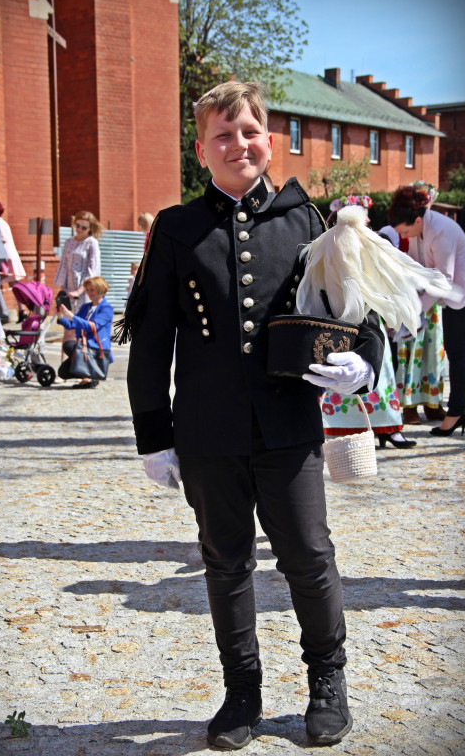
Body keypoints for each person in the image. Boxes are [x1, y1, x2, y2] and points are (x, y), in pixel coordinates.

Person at [122, 81, 385, 749]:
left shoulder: (309, 221)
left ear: (267, 138)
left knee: (308, 555)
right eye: (222, 134)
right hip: (207, 431)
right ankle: (242, 692)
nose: (237, 144)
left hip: (289, 426)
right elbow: (151, 340)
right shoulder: (177, 229)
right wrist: (154, 436)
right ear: (201, 149)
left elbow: (362, 311)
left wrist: (364, 365)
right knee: (225, 561)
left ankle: (329, 680)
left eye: (248, 131)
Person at [321, 196, 416, 449]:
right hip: (338, 320)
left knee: (378, 371)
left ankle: (388, 428)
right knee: (340, 373)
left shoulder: (373, 243)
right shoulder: (329, 244)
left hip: (369, 318)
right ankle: (343, 427)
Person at [389, 185, 465, 436]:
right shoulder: (419, 229)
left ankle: (456, 412)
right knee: (461, 352)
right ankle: (459, 407)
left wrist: (416, 310)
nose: (404, 235)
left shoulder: (441, 229)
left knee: (458, 352)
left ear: (416, 220)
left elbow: (443, 279)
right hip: (453, 294)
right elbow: (418, 266)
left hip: (464, 292)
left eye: (404, 230)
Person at [54, 210, 102, 354]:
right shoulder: (69, 242)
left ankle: (83, 368)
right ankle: (67, 366)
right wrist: (63, 288)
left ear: (90, 229)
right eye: (77, 225)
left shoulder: (91, 243)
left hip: (84, 291)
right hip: (68, 289)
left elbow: (92, 269)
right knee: (68, 328)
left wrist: (80, 290)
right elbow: (63, 264)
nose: (79, 229)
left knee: (81, 328)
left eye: (83, 227)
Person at [56, 276, 113, 389]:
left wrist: (71, 316)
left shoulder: (106, 308)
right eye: (87, 290)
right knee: (63, 372)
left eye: (92, 290)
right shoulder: (86, 307)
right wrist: (61, 315)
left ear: (100, 289)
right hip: (85, 347)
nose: (89, 292)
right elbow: (72, 325)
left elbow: (92, 326)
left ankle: (90, 376)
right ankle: (88, 376)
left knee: (69, 345)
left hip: (97, 348)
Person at [0, 200, 28, 321]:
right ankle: (22, 310)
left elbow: (2, 239)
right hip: (11, 255)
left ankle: (1, 312)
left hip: (4, 257)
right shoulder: (4, 222)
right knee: (14, 284)